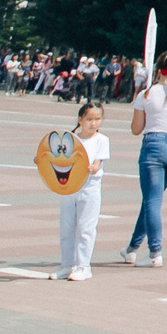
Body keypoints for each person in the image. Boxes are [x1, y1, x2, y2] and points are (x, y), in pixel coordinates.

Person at [124, 49, 167, 268]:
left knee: (153, 201)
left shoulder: (146, 94)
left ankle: (155, 252)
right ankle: (132, 248)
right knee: (151, 199)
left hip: (154, 145)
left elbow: (136, 129)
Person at [56, 104, 109, 281]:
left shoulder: (102, 140)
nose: (93, 123)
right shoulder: (71, 139)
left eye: (97, 119)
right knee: (67, 227)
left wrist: (93, 167)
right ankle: (67, 265)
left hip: (90, 187)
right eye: (89, 119)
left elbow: (97, 163)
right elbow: (58, 158)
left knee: (85, 227)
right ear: (80, 120)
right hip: (70, 187)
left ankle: (83, 266)